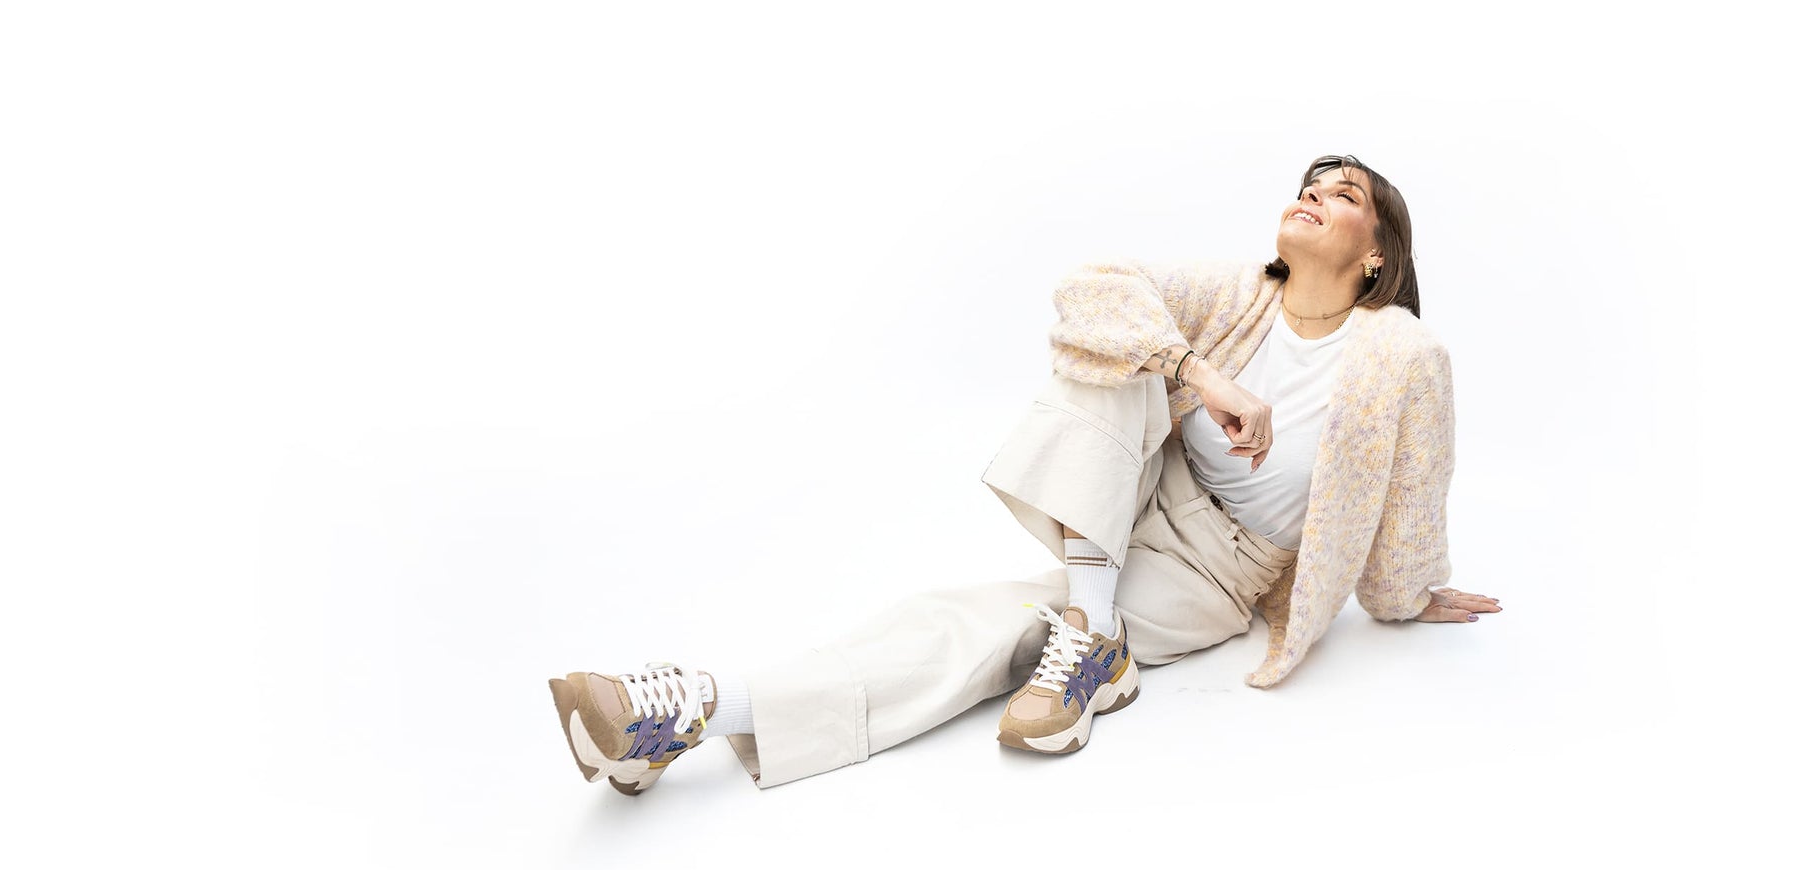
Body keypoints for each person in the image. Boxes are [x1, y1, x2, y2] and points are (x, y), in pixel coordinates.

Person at [546, 154, 1499, 795]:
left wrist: (1409, 596)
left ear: (1378, 253)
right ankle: (1094, 636)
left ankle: (695, 711)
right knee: (1117, 353)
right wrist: (1199, 374)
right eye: (1308, 182)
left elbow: (1414, 497)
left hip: (1217, 570)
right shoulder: (1240, 293)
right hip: (1138, 492)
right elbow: (1090, 287)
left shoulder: (1404, 357)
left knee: (982, 624)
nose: (1313, 193)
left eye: (1342, 194)